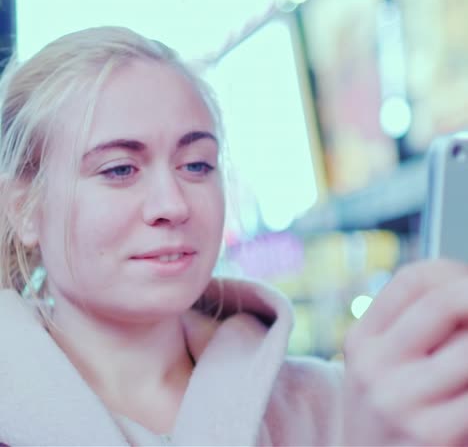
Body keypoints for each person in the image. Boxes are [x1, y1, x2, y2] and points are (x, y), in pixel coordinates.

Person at [1, 26, 468, 447]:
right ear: (22, 208)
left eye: (197, 166)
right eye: (120, 169)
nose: (173, 204)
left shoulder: (341, 404)